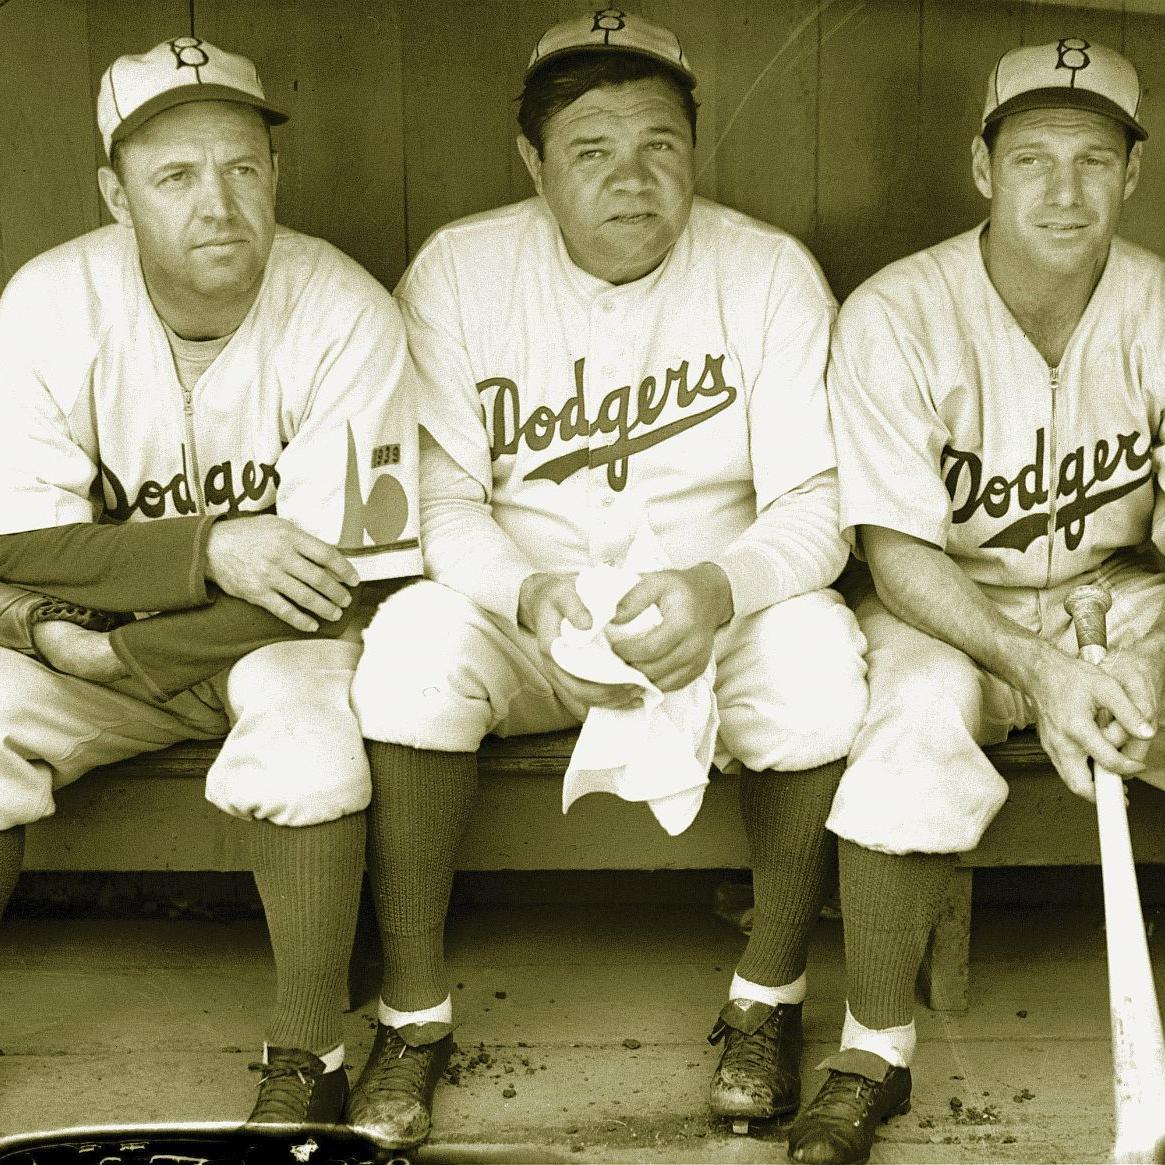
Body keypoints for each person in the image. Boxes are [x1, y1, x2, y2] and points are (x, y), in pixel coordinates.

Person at [345, 7, 869, 1150]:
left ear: (695, 147)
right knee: (411, 649)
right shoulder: (460, 268)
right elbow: (440, 506)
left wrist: (722, 590)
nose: (632, 178)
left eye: (660, 144)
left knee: (824, 658)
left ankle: (765, 999)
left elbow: (815, 508)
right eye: (590, 149)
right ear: (531, 160)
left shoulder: (767, 270)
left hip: (711, 611)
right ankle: (414, 1015)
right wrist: (528, 600)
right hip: (530, 612)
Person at [0, 37, 420, 1127]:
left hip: (266, 639)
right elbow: (16, 541)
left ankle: (310, 1057)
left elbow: (345, 579)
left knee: (305, 720)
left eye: (241, 166)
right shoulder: (49, 304)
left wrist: (118, 645)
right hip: (87, 641)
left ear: (275, 175)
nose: (218, 202)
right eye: (174, 175)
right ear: (115, 194)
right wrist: (210, 546)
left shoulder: (344, 308)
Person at [790, 38, 1164, 1165]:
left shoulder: (1161, 307)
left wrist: (1136, 667)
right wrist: (1034, 665)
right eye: (1032, 157)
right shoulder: (897, 312)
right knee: (911, 715)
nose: (1062, 190)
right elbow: (897, 555)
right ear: (980, 166)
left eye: (1093, 160)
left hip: (1121, 598)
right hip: (943, 605)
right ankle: (872, 1046)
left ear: (1131, 177)